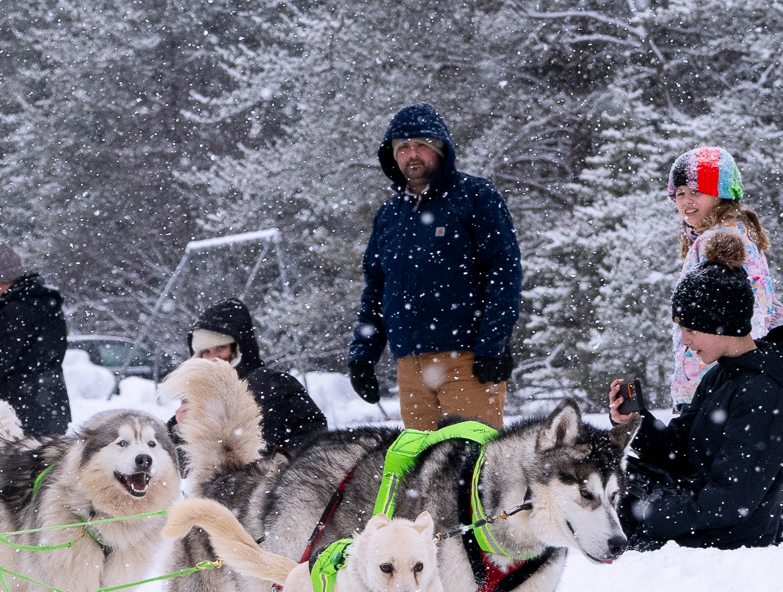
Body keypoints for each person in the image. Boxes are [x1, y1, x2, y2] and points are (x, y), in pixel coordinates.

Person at [610, 230, 783, 550]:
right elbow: (681, 452)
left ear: (723, 323)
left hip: (728, 541)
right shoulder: (720, 378)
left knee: (617, 513)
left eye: (690, 329)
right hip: (703, 518)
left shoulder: (760, 394)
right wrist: (637, 422)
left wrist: (648, 515)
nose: (685, 341)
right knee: (608, 478)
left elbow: (731, 502)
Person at [348, 103, 523, 430]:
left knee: (471, 462)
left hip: (466, 360)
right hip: (411, 368)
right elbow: (375, 289)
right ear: (392, 156)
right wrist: (362, 356)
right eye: (402, 147)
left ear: (441, 149)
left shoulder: (475, 196)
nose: (411, 154)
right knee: (422, 472)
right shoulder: (389, 216)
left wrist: (492, 344)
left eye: (421, 145)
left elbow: (504, 274)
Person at [665, 145, 783, 408]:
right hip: (737, 380)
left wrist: (691, 391)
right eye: (679, 193)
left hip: (714, 382)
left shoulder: (716, 243)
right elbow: (770, 309)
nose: (686, 201)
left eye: (696, 191)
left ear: (721, 194)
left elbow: (715, 323)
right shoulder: (741, 236)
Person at [177, 299, 326, 452]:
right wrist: (181, 429)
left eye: (221, 347)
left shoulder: (274, 385)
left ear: (239, 347)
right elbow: (173, 464)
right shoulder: (198, 397)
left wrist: (280, 465)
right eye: (206, 352)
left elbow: (314, 433)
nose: (214, 357)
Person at [0, 240, 70, 437]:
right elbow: (37, 350)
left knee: (19, 468)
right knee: (51, 465)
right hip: (52, 405)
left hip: (18, 413)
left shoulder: (13, 311)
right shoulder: (48, 305)